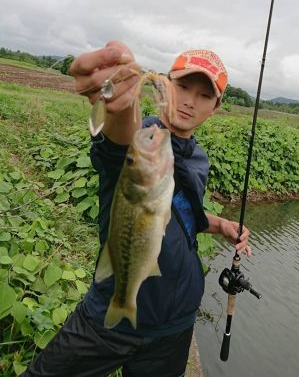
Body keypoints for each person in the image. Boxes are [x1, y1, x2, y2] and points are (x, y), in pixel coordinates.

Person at [23, 41, 251, 377]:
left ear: (216, 107)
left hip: (174, 326)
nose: (189, 100)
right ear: (165, 85)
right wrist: (117, 105)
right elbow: (120, 142)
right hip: (108, 317)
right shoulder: (141, 142)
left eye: (204, 95)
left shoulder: (198, 157)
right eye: (183, 86)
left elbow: (178, 213)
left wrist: (221, 225)